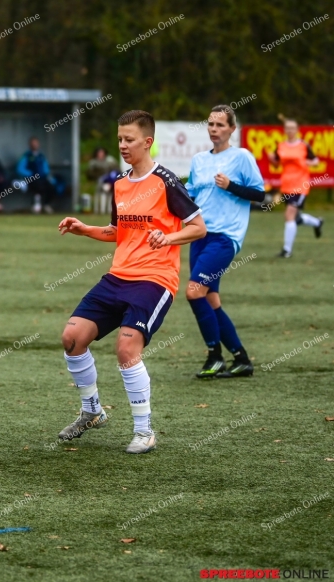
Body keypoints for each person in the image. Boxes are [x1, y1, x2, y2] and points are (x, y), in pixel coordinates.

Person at [57, 110, 206, 454]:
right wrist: (84, 229)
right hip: (117, 277)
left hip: (155, 280)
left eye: (129, 140)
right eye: (120, 139)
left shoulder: (166, 182)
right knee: (72, 337)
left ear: (147, 142)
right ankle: (92, 412)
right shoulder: (120, 184)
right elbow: (117, 232)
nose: (122, 145)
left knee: (126, 349)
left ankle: (144, 431)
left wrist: (168, 238)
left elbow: (199, 228)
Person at [185, 105, 265, 379]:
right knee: (211, 299)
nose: (214, 129)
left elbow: (260, 194)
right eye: (211, 124)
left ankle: (214, 356)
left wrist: (231, 185)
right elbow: (190, 195)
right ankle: (241, 359)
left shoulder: (241, 156)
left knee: (194, 291)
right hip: (199, 237)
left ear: (232, 128)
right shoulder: (198, 160)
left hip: (224, 238)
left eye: (220, 125)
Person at [267, 118, 323, 257]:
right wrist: (272, 160)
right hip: (286, 185)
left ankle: (287, 251)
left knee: (289, 215)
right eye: (287, 128)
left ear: (297, 130)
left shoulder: (303, 145)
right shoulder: (281, 146)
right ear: (284, 130)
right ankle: (317, 222)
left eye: (292, 128)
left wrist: (305, 162)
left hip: (301, 185)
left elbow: (316, 161)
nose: (290, 130)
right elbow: (276, 164)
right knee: (295, 218)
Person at [16, 137, 57, 214]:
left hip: (42, 178)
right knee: (37, 185)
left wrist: (47, 176)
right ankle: (36, 204)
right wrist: (31, 174)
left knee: (52, 187)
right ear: (30, 145)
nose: (35, 145)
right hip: (31, 179)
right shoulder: (26, 156)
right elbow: (20, 169)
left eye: (36, 143)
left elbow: (46, 169)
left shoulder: (41, 156)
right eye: (33, 144)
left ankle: (46, 204)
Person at [87, 147, 120, 214]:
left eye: (102, 153)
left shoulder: (110, 161)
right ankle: (98, 210)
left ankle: (110, 210)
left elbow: (117, 170)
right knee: (99, 195)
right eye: (99, 153)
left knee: (110, 195)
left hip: (110, 181)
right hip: (99, 181)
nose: (101, 154)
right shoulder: (93, 163)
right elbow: (89, 174)